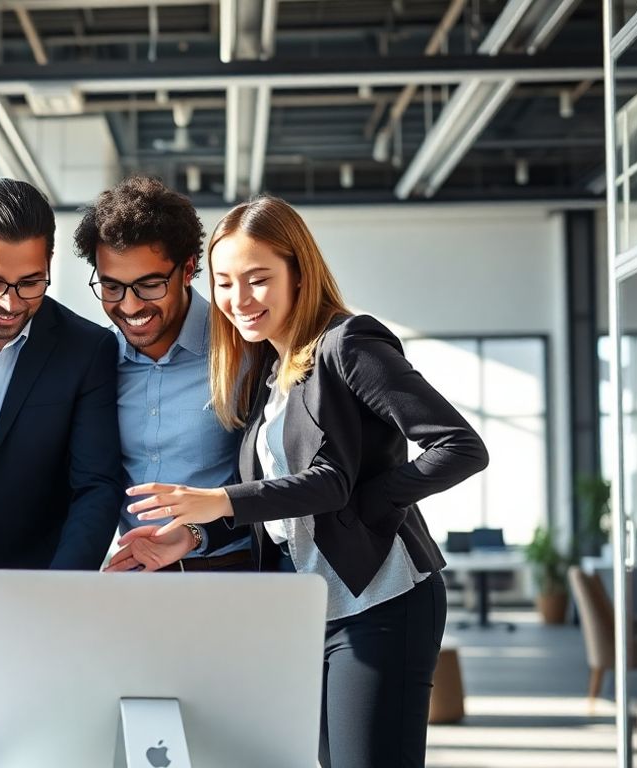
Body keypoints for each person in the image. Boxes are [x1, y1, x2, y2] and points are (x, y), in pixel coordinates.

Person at [125, 195, 489, 767]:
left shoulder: (349, 344)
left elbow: (459, 447)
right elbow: (287, 507)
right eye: (224, 283)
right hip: (305, 611)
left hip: (381, 600)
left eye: (258, 279)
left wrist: (374, 500)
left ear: (299, 271)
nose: (239, 300)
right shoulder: (270, 369)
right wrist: (194, 535)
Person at [0, 178, 124, 768]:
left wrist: (57, 591)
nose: (11, 303)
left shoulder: (86, 349)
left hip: (36, 585)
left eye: (31, 282)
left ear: (49, 265)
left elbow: (96, 484)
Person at [73, 176, 253, 574]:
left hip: (236, 573)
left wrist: (197, 531)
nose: (130, 305)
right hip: (139, 580)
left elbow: (280, 485)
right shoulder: (94, 364)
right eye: (112, 287)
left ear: (188, 268)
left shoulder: (245, 351)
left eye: (150, 284)